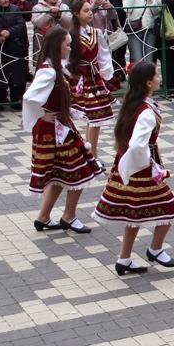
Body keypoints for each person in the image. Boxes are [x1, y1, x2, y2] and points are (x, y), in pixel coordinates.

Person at [93, 61, 174, 274]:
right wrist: (148, 165)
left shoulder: (135, 104)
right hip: (141, 169)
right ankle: (155, 249)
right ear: (148, 82)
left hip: (129, 164)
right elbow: (137, 145)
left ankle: (124, 259)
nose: (160, 79)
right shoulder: (145, 111)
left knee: (134, 214)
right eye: (157, 76)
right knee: (170, 210)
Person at [22, 26, 103, 234]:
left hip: (58, 126)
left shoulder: (56, 67)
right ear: (58, 45)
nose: (69, 48)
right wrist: (43, 114)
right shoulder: (49, 71)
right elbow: (29, 97)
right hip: (53, 129)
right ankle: (68, 216)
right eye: (67, 44)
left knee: (60, 173)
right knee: (82, 168)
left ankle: (44, 217)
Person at [69, 0, 116, 160]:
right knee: (91, 117)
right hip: (80, 79)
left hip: (94, 78)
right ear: (76, 14)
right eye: (86, 11)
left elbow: (104, 53)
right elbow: (65, 58)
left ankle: (91, 154)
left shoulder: (95, 32)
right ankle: (90, 155)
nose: (90, 13)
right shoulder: (71, 35)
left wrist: (106, 71)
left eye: (90, 10)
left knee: (95, 117)